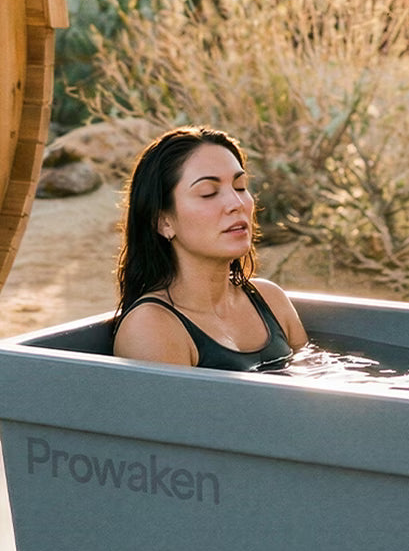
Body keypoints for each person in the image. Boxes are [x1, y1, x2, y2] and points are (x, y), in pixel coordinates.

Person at [113, 126, 307, 370]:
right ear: (163, 222)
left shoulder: (271, 300)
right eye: (208, 193)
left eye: (240, 186)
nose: (236, 203)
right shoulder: (152, 327)